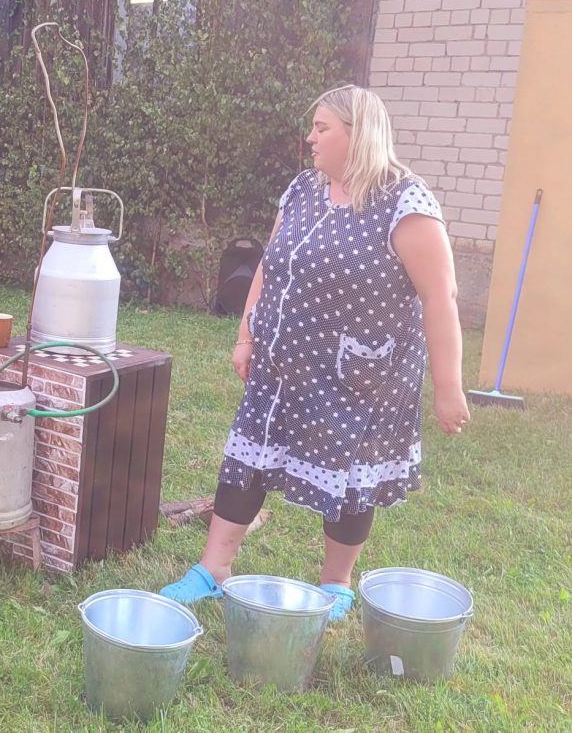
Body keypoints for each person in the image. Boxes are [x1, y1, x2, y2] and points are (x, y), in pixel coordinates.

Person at [159, 85, 470, 620]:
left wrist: (448, 386)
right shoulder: (304, 189)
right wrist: (247, 335)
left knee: (350, 479)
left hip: (361, 372)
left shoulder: (405, 202)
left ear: (358, 134)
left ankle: (336, 586)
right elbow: (270, 263)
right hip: (283, 364)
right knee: (248, 459)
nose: (310, 137)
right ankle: (213, 571)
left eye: (322, 128)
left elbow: (440, 298)